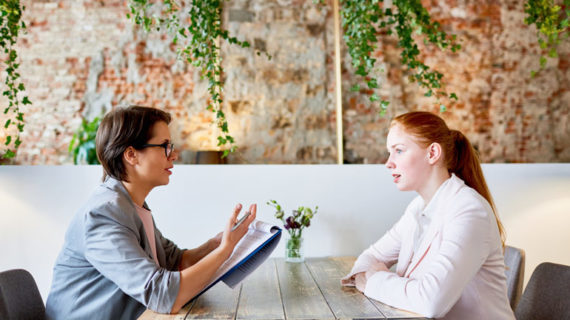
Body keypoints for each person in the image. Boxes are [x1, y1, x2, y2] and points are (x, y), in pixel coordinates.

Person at [46, 106, 256, 319]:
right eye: (165, 146)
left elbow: (176, 262)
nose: (174, 155)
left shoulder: (132, 205)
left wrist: (217, 243)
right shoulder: (104, 215)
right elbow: (163, 296)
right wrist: (225, 251)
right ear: (131, 155)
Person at [341, 111, 515, 319]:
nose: (388, 162)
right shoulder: (418, 208)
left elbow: (431, 301)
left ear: (432, 153)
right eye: (390, 152)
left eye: (399, 150)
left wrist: (375, 280)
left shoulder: (469, 210)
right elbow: (369, 258)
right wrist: (393, 283)